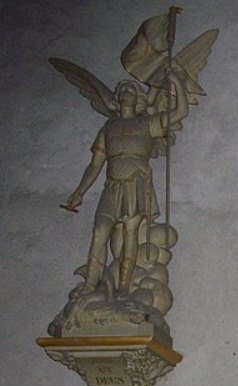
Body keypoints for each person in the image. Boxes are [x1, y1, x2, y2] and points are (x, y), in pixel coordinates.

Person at [63, 71, 189, 298]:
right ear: (116, 97)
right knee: (99, 232)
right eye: (122, 89)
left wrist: (176, 83)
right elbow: (95, 166)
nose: (126, 92)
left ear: (139, 97)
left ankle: (123, 289)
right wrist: (79, 192)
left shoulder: (146, 123)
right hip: (112, 186)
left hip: (136, 183)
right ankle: (90, 285)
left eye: (131, 89)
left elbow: (180, 112)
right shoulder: (108, 129)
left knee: (131, 234)